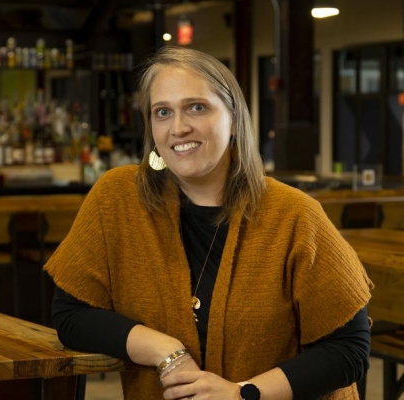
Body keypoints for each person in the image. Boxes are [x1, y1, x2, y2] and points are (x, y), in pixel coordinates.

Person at [44, 45, 373, 400]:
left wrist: (243, 394)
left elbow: (349, 349)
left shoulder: (295, 215)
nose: (179, 128)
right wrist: (167, 352)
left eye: (196, 107)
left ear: (234, 119)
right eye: (162, 112)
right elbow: (72, 314)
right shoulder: (118, 198)